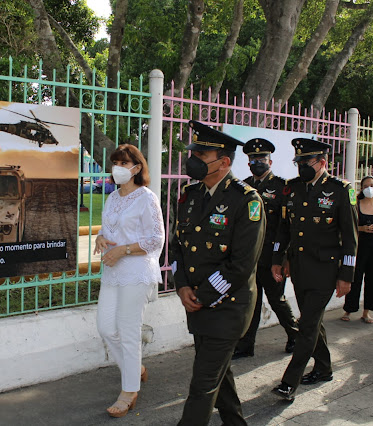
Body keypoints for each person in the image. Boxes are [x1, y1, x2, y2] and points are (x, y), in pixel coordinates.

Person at [170, 120, 265, 425]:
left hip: (227, 307)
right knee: (219, 379)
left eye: (201, 155)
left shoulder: (246, 200)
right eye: (193, 152)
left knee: (202, 384)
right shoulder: (190, 195)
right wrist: (182, 285)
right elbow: (178, 247)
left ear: (223, 162)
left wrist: (203, 294)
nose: (193, 160)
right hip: (197, 304)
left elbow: (242, 263)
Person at [270, 138, 358, 402]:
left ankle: (289, 382)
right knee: (312, 320)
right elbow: (283, 229)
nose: (301, 168)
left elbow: (351, 238)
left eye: (306, 162)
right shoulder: (292, 189)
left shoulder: (341, 190)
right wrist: (278, 257)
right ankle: (323, 368)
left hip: (325, 270)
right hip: (297, 267)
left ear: (322, 162)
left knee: (306, 325)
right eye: (298, 163)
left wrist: (346, 276)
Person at [94, 144, 165, 418]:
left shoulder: (147, 198)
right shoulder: (112, 198)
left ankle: (129, 391)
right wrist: (101, 237)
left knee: (128, 330)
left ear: (137, 167)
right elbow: (108, 228)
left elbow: (156, 239)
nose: (118, 168)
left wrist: (122, 250)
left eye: (124, 163)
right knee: (105, 328)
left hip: (136, 271)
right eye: (116, 163)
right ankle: (135, 370)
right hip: (113, 271)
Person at [232, 138, 299, 359]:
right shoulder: (243, 186)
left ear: (270, 161)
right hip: (249, 257)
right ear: (248, 162)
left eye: (261, 158)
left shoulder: (282, 187)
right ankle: (245, 345)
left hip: (272, 256)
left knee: (276, 300)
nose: (257, 162)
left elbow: (285, 226)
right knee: (250, 301)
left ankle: (295, 335)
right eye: (253, 159)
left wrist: (283, 258)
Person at [341, 176, 373, 323]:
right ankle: (348, 310)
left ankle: (366, 311)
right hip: (360, 247)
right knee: (355, 278)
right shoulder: (356, 204)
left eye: (372, 185)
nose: (369, 188)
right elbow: (350, 225)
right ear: (361, 188)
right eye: (366, 186)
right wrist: (362, 228)